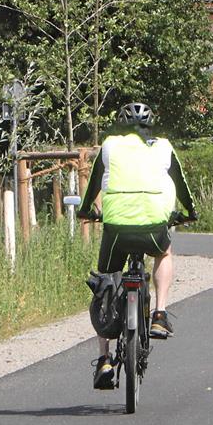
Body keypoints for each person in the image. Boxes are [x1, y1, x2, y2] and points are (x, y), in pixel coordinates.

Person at [78, 102, 198, 390]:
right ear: (150, 126)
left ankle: (104, 360)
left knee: (106, 284)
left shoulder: (109, 146)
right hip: (154, 228)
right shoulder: (164, 146)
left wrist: (86, 212)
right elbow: (181, 185)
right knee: (164, 252)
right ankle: (159, 314)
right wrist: (190, 212)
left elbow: (93, 185)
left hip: (116, 230)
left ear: (120, 127)